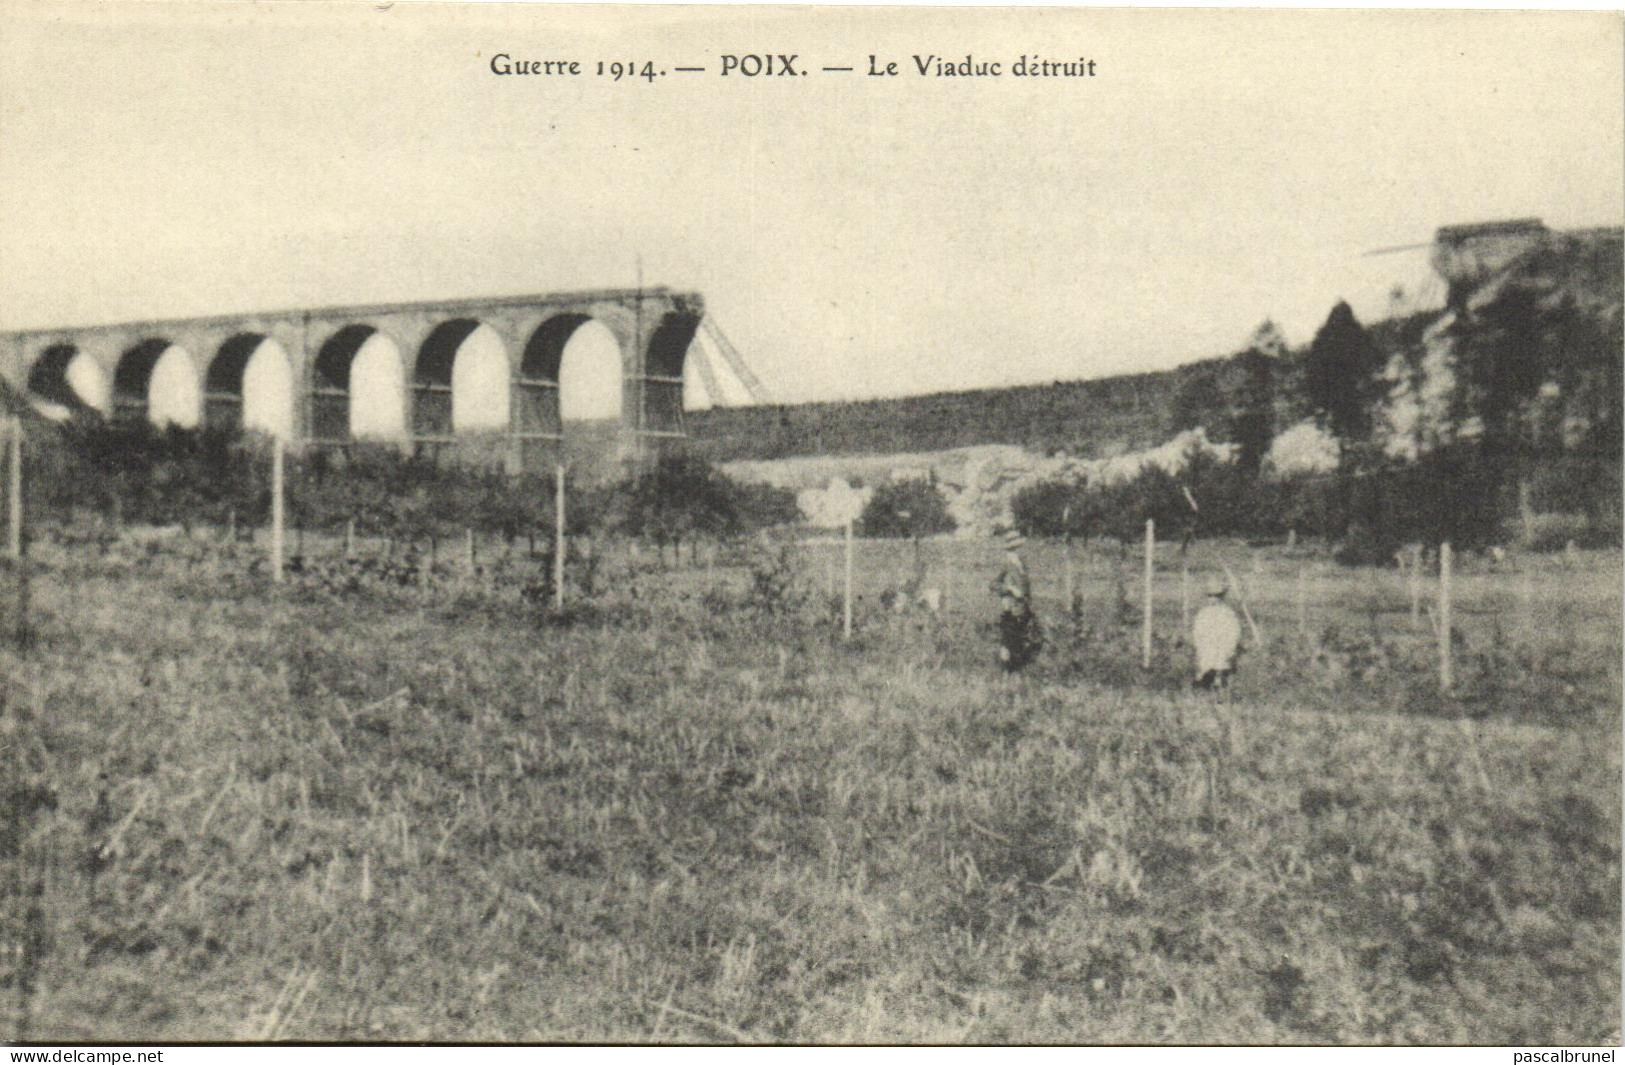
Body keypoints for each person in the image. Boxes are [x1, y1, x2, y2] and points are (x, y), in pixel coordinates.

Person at [991, 529, 1041, 671]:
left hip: (1023, 607)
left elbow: (1026, 588)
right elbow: (993, 584)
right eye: (1018, 547)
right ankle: (1006, 673)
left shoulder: (1021, 565)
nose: (1021, 550)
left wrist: (1028, 602)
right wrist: (1010, 589)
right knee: (1009, 642)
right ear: (1013, 548)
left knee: (1022, 641)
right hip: (1010, 608)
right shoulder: (1006, 564)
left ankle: (1016, 672)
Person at [1192, 577, 1243, 691]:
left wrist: (1230, 649)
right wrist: (1200, 647)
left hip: (1222, 649)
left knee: (1220, 668)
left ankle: (1219, 685)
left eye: (1216, 596)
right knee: (1205, 670)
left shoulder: (1228, 614)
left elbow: (1234, 633)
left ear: (1222, 597)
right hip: (1207, 649)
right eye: (1210, 596)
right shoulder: (1203, 614)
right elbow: (1197, 633)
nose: (1213, 599)